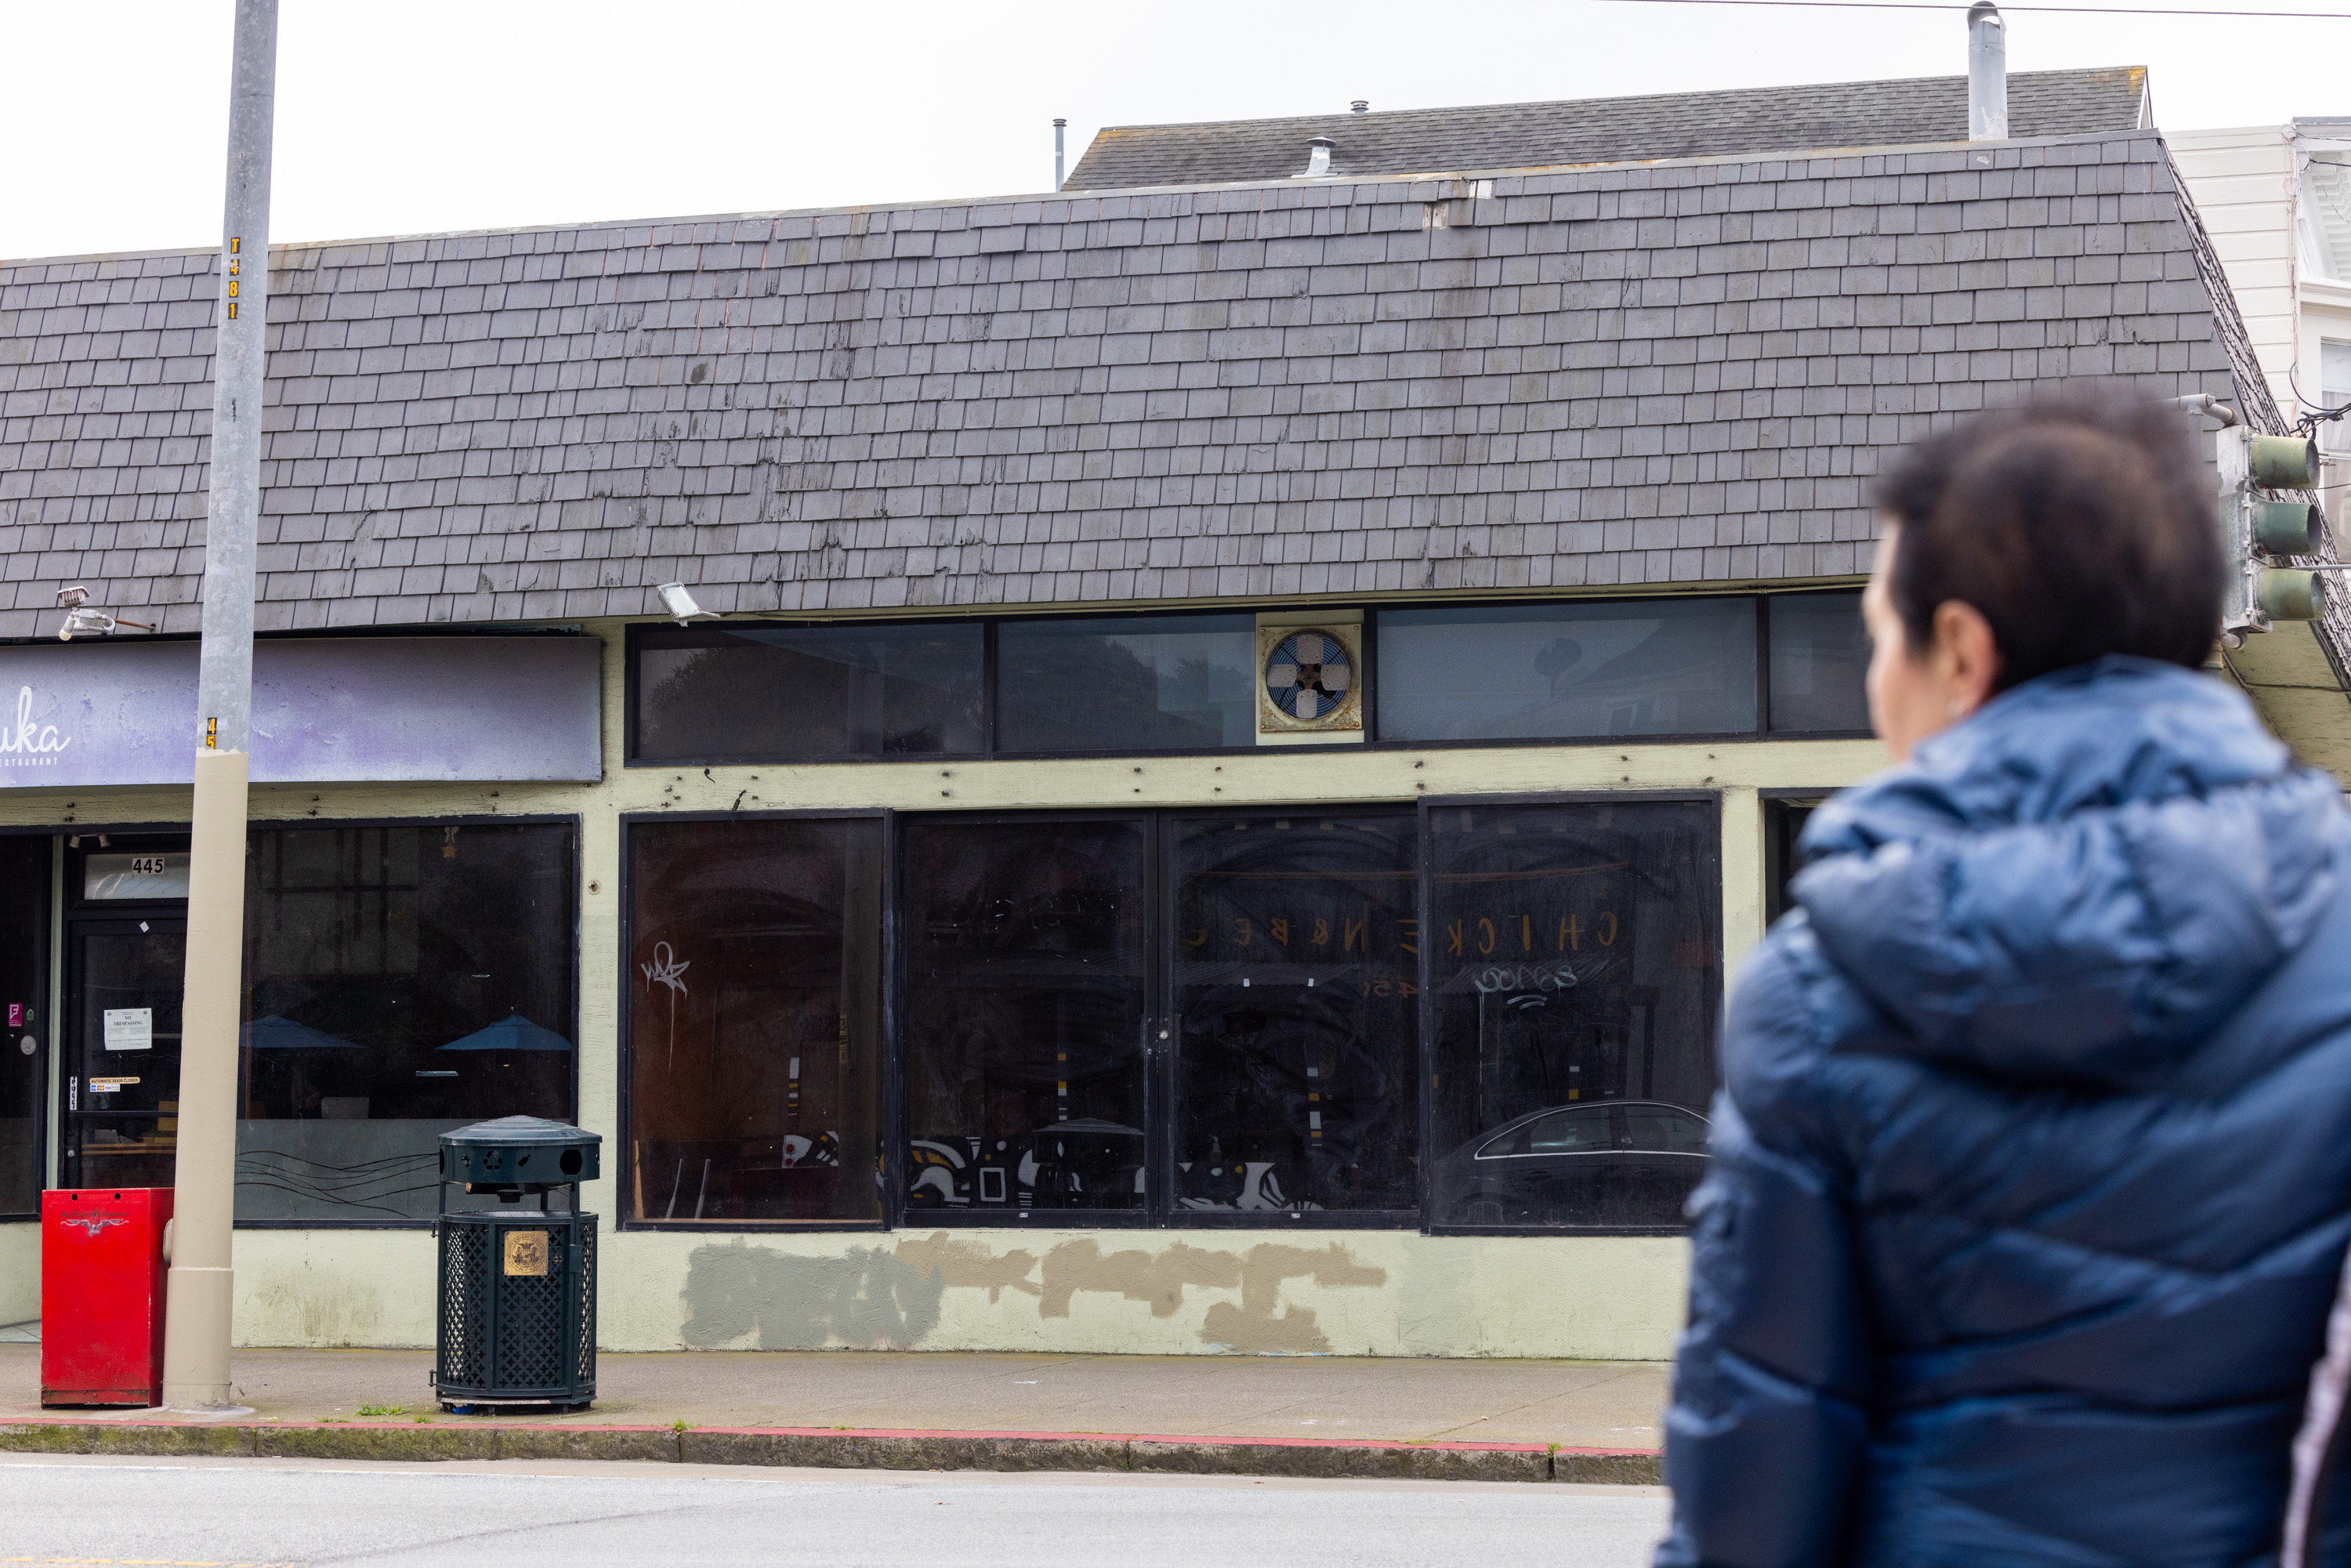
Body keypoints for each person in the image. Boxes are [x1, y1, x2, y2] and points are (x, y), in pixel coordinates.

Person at [1655, 389, 2351, 1566]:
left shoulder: (1822, 991)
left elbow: (1754, 1461)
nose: (1877, 680)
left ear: (1964, 652)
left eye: (1881, 634)